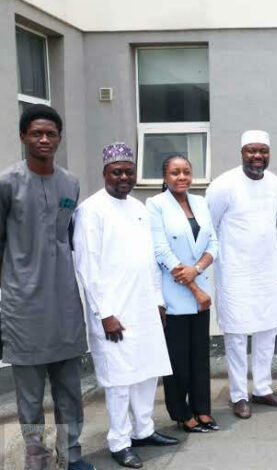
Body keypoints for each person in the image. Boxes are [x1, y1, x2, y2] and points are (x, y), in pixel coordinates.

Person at [73, 142, 178, 469]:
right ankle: (119, 441)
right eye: (116, 172)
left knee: (146, 372)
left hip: (144, 306)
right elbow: (87, 266)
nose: (123, 177)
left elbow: (150, 260)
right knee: (119, 380)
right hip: (113, 311)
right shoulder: (90, 210)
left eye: (128, 172)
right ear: (105, 173)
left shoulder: (139, 207)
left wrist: (158, 301)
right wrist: (104, 313)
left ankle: (143, 430)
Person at [0, 105, 94, 470]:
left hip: (65, 305)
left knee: (70, 391)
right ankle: (36, 458)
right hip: (23, 307)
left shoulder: (70, 184)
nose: (44, 139)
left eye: (50, 134)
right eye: (36, 133)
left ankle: (70, 455)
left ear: (59, 138)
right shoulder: (7, 183)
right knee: (30, 397)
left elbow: (66, 237)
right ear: (23, 136)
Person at [206, 130, 277, 419]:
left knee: (267, 330)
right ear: (242, 152)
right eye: (251, 151)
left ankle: (263, 389)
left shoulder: (275, 183)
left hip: (266, 269)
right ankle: (239, 394)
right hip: (235, 271)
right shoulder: (223, 185)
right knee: (237, 335)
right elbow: (210, 228)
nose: (257, 156)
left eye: (262, 151)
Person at [146, 155, 219, 432]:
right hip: (175, 291)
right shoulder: (156, 204)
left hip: (200, 288)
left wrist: (197, 269)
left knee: (199, 356)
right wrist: (194, 287)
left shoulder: (200, 202)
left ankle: (202, 409)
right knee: (177, 358)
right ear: (165, 177)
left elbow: (213, 243)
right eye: (175, 173)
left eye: (186, 172)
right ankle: (181, 413)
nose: (181, 177)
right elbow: (161, 250)